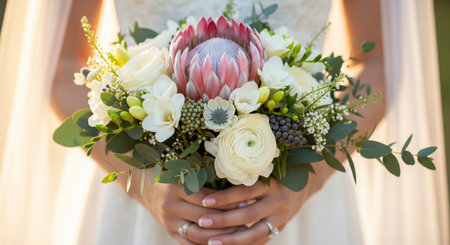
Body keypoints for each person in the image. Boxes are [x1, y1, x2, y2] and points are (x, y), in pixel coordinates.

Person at [0, 0, 447, 244]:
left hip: (299, 201)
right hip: (146, 201)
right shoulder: (142, 185)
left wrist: (307, 182)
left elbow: (380, 62)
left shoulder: (304, 188)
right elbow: (61, 67)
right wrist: (142, 182)